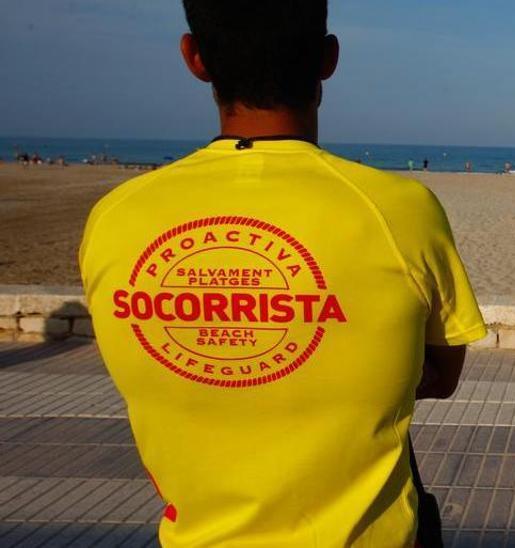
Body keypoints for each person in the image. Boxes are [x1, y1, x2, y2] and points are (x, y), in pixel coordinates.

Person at [77, 1, 486, 545]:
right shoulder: (399, 210)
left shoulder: (117, 216)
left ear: (194, 57)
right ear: (327, 58)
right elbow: (440, 373)